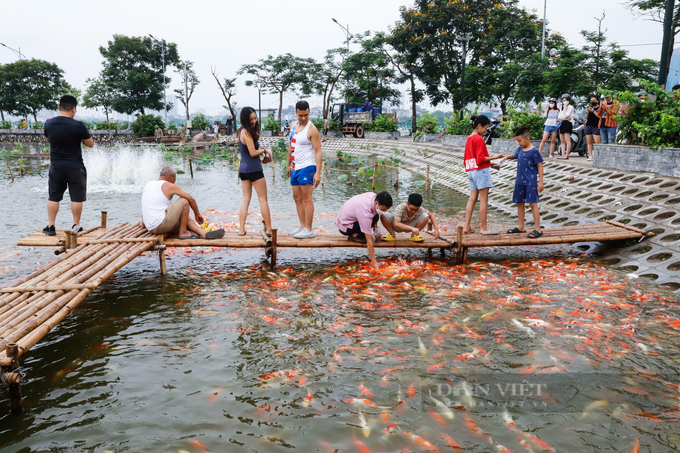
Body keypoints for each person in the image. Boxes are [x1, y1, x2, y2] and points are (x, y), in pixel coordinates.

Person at [42, 95, 94, 236]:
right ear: (74, 109)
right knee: (76, 197)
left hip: (56, 166)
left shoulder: (48, 123)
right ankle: (76, 225)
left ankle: (51, 226)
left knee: (53, 196)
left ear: (59, 107)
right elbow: (90, 144)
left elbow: (48, 139)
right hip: (75, 166)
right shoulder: (78, 125)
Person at [142, 166, 225, 239]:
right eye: (175, 178)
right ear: (171, 177)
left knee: (183, 217)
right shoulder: (168, 185)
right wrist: (197, 214)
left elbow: (147, 206)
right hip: (161, 226)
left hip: (151, 228)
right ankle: (183, 232)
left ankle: (203, 233)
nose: (175, 180)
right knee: (184, 201)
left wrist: (144, 223)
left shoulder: (148, 185)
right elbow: (190, 199)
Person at [286, 100, 323, 239]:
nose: (303, 118)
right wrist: (288, 164)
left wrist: (318, 173)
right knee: (296, 197)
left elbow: (318, 152)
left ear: (309, 112)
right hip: (295, 167)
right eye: (300, 115)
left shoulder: (312, 129)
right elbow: (291, 146)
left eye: (306, 115)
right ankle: (302, 226)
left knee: (307, 198)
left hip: (307, 167)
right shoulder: (293, 126)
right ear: (296, 112)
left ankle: (309, 228)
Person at [463, 115, 505, 235]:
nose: (486, 131)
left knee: (472, 199)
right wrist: (496, 157)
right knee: (483, 200)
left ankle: (467, 226)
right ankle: (484, 228)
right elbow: (481, 158)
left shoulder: (469, 138)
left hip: (472, 172)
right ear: (479, 126)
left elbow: (472, 159)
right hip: (481, 172)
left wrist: (491, 164)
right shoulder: (479, 139)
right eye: (486, 128)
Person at [501, 127, 544, 238]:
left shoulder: (534, 151)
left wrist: (541, 182)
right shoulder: (520, 149)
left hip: (530, 181)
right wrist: (506, 157)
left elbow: (540, 166)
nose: (518, 143)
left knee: (533, 204)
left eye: (520, 141)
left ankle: (537, 229)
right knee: (520, 203)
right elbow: (514, 156)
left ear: (527, 139)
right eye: (517, 141)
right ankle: (521, 227)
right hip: (519, 181)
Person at [237, 107, 273, 237]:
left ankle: (241, 230)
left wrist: (262, 160)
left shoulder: (241, 131)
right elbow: (252, 152)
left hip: (244, 170)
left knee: (245, 199)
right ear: (245, 120)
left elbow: (248, 153)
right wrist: (264, 150)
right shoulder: (246, 132)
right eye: (251, 119)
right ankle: (269, 229)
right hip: (254, 171)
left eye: (255, 118)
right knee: (263, 200)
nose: (254, 121)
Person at [336, 191, 393, 270]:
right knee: (367, 238)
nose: (384, 212)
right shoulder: (365, 212)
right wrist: (374, 263)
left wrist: (376, 231)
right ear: (376, 203)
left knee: (376, 216)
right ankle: (354, 235)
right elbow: (369, 241)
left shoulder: (373, 196)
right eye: (383, 209)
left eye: (386, 210)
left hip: (353, 216)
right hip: (345, 226)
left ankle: (359, 232)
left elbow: (375, 214)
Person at [556, 94, 575, 159]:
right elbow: (559, 117)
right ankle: (562, 154)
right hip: (562, 124)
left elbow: (566, 114)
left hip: (568, 124)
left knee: (567, 140)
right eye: (563, 100)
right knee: (562, 140)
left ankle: (567, 154)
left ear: (569, 100)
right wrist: (564, 117)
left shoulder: (571, 107)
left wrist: (565, 108)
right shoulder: (561, 107)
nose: (565, 101)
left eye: (566, 100)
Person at [584, 95, 601, 162]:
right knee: (589, 141)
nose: (593, 102)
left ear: (597, 101)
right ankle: (590, 155)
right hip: (588, 125)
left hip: (596, 126)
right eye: (591, 101)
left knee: (597, 142)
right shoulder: (589, 108)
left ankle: (597, 155)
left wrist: (593, 110)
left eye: (594, 101)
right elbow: (586, 117)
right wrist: (588, 111)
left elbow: (599, 116)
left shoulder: (599, 108)